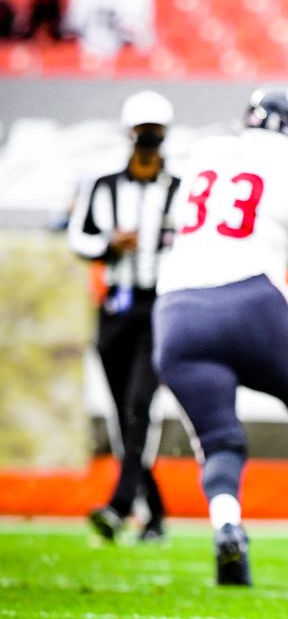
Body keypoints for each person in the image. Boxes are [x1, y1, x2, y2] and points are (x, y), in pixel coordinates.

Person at [153, 86, 288, 589]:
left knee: (219, 440)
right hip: (252, 302)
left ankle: (227, 524)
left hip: (178, 311)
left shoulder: (203, 152)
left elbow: (210, 228)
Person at [68, 90, 180, 544]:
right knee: (123, 414)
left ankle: (118, 507)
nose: (148, 142)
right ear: (129, 135)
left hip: (160, 305)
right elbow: (80, 238)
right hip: (116, 304)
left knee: (138, 406)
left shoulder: (181, 188)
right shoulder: (103, 186)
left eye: (154, 134)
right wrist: (111, 244)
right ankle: (154, 512)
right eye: (142, 133)